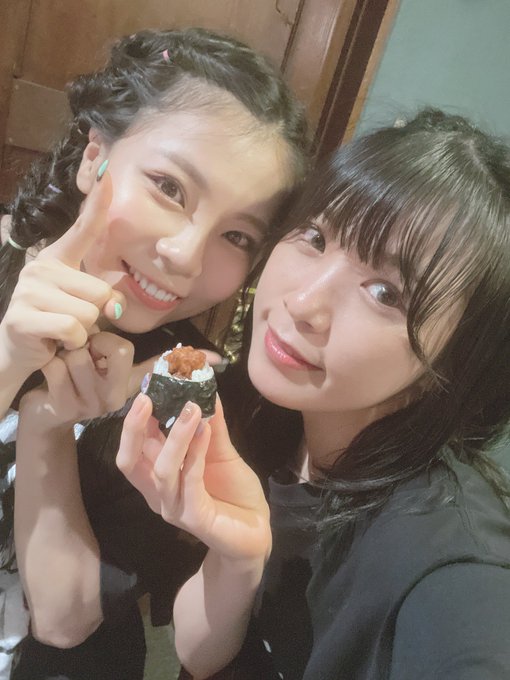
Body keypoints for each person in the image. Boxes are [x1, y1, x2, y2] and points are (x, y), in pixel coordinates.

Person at [117, 109, 510, 679]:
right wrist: (238, 558)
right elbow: (199, 656)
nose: (303, 303)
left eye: (385, 292)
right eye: (316, 237)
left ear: (451, 362)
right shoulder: (274, 418)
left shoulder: (444, 562)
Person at [0, 27, 310, 679]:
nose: (185, 256)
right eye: (169, 187)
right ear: (95, 155)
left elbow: (65, 618)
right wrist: (8, 360)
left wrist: (45, 421)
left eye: (236, 235)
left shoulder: (184, 388)